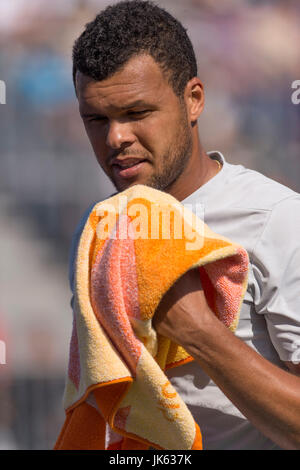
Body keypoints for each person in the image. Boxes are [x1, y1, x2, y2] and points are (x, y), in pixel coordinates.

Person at [69, 0, 300, 450]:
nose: (116, 138)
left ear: (193, 99)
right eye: (96, 119)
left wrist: (198, 330)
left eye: (136, 113)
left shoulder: (278, 220)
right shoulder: (100, 227)